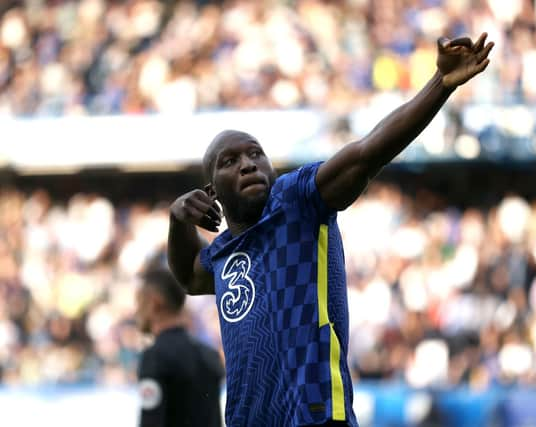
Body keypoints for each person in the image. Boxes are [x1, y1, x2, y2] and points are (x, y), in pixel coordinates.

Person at [167, 33, 494, 427]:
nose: (248, 164)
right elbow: (187, 275)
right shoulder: (222, 254)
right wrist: (177, 219)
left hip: (315, 416)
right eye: (230, 160)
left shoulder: (296, 200)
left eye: (256, 153)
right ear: (212, 191)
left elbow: (366, 153)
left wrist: (439, 85)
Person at [135, 268, 225, 427]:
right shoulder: (209, 354)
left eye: (139, 301)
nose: (136, 311)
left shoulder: (155, 357)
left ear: (154, 302)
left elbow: (151, 421)